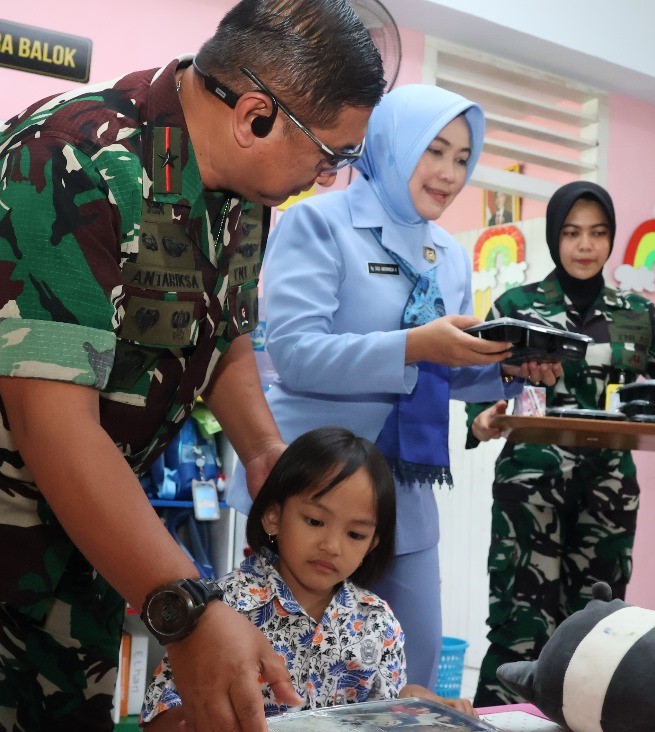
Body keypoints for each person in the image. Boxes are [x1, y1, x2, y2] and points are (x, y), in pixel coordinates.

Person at [0, 1, 385, 732]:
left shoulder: (242, 192)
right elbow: (54, 425)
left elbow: (219, 332)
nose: (325, 177)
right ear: (257, 117)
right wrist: (187, 614)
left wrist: (266, 455)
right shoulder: (73, 161)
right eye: (329, 155)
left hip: (75, 514)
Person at [235, 83, 552, 689]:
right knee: (291, 675)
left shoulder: (449, 256)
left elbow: (439, 374)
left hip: (402, 496)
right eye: (434, 150)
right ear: (394, 143)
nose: (449, 172)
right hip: (312, 491)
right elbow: (294, 354)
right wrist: (415, 345)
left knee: (413, 676)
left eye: (463, 158)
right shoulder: (317, 223)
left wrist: (504, 370)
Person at [467, 181, 655, 705]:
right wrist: (481, 418)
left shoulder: (638, 314)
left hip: (609, 488)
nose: (585, 245)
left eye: (598, 233)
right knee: (520, 620)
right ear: (555, 237)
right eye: (572, 232)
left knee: (597, 626)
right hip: (532, 482)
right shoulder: (517, 304)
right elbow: (478, 386)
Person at [142, 426, 475, 732]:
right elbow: (159, 720)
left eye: (355, 534)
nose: (331, 545)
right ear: (273, 517)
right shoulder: (223, 609)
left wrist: (414, 701)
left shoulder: (378, 620)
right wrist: (209, 722)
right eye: (315, 521)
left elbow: (384, 721)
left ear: (371, 545)